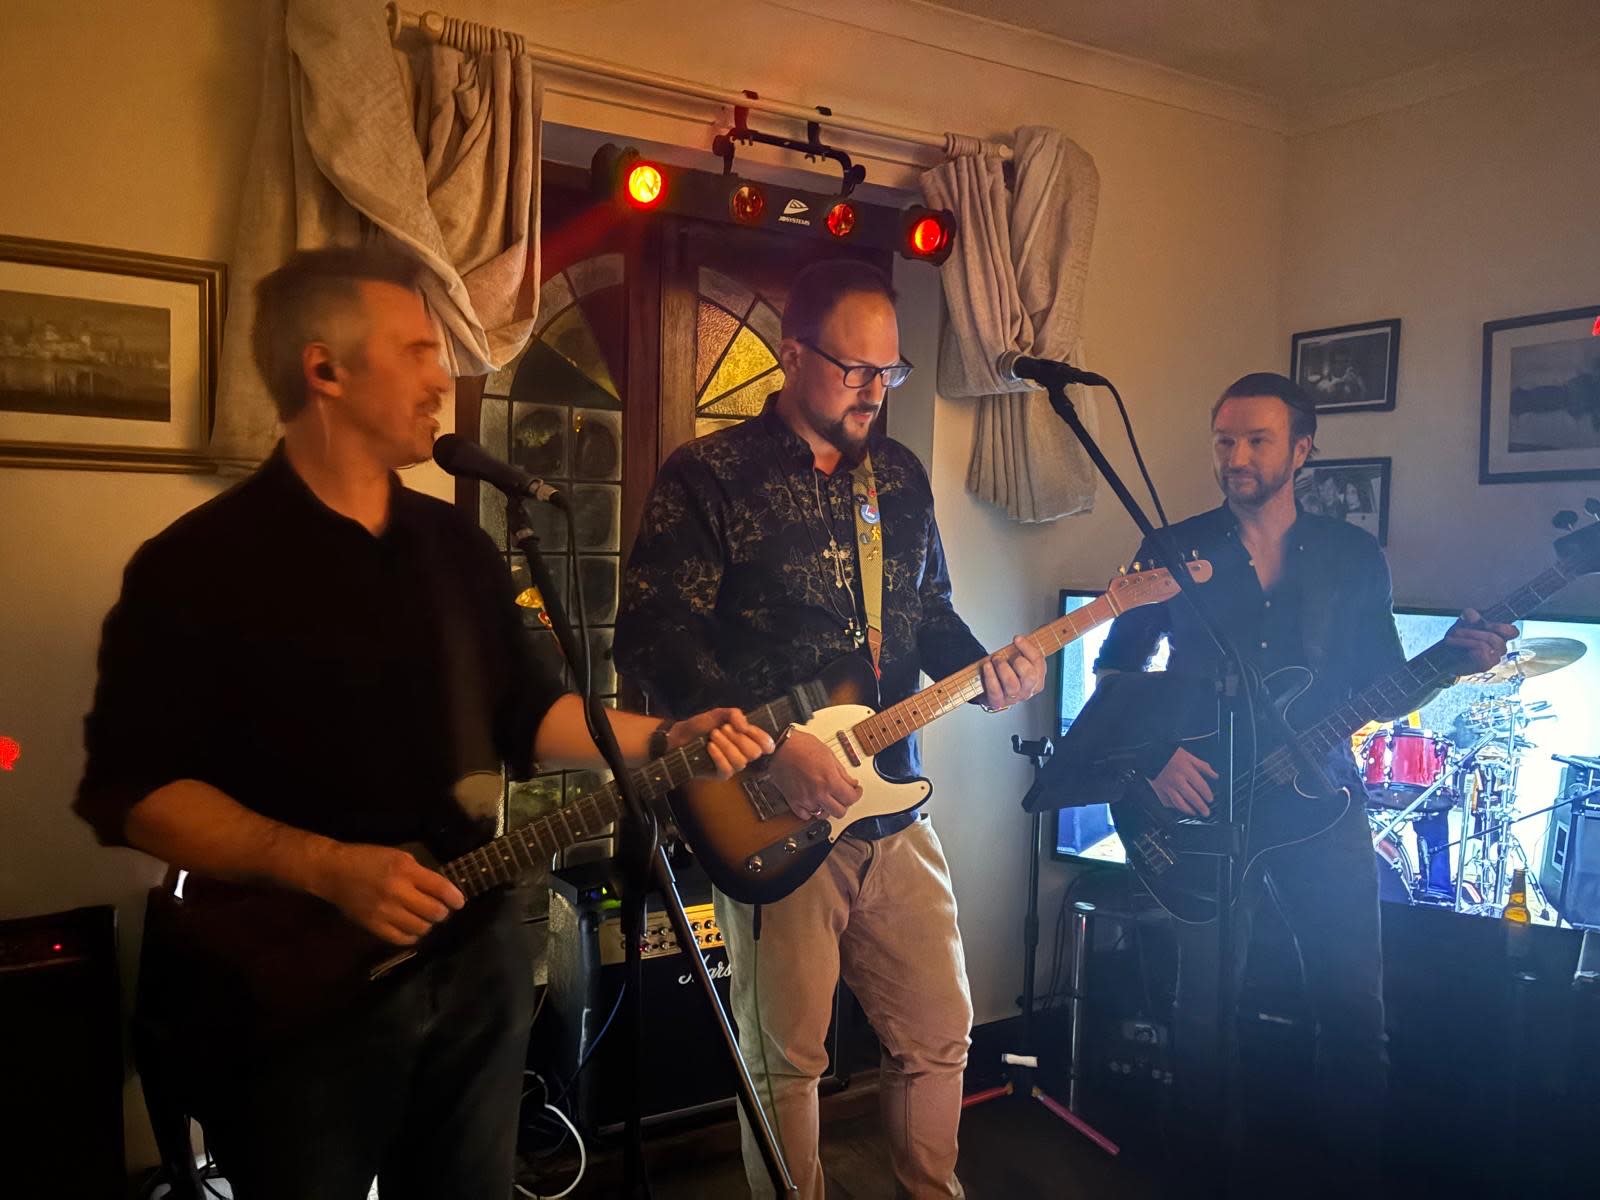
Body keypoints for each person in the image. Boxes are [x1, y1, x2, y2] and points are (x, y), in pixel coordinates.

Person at [74, 246, 772, 1200]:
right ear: (325, 369)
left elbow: (529, 715)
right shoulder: (193, 567)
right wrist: (325, 865)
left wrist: (665, 738)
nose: (443, 378)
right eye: (415, 351)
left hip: (474, 955)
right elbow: (138, 795)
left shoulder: (457, 547)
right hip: (295, 987)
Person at [614, 259, 1044, 1199]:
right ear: (792, 354)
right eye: (855, 370)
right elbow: (652, 635)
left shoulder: (899, 476)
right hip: (771, 808)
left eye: (890, 372)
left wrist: (988, 669)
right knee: (789, 1064)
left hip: (894, 804)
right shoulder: (710, 474)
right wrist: (772, 748)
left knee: (940, 1035)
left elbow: (929, 609)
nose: (874, 392)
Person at [1095, 372, 1512, 1195]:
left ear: (1301, 450)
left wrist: (1450, 664)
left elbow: (1383, 686)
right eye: (1225, 440)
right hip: (1205, 807)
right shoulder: (1173, 547)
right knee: (1201, 1019)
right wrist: (1154, 758)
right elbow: (1115, 669)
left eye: (1257, 440)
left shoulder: (1351, 557)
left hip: (1323, 804)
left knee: (1355, 1016)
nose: (1237, 457)